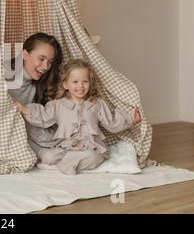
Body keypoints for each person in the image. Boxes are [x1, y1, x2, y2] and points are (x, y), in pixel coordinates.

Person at [14, 59, 142, 175]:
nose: (80, 86)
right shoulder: (57, 105)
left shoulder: (97, 104)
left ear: (90, 83)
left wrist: (131, 119)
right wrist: (25, 109)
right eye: (75, 82)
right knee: (49, 157)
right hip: (66, 147)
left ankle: (66, 165)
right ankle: (69, 162)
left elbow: (112, 122)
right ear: (66, 85)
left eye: (85, 81)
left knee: (95, 157)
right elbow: (43, 116)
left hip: (91, 147)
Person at [5, 32, 63, 156]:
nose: (46, 66)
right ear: (25, 54)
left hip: (25, 136)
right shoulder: (1, 73)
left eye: (50, 61)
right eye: (41, 59)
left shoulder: (40, 84)